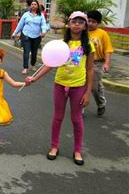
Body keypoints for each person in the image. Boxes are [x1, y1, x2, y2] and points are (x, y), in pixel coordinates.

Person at [25, 11, 95, 166]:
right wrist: (34, 78)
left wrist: (88, 92)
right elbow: (50, 63)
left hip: (78, 86)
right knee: (58, 117)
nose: (77, 24)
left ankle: (77, 150)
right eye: (74, 21)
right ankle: (54, 147)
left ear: (84, 26)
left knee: (76, 119)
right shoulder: (61, 44)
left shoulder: (88, 45)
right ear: (68, 24)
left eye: (80, 22)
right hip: (60, 84)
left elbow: (90, 69)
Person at [87, 10, 113, 116]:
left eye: (93, 21)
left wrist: (107, 63)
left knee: (94, 87)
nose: (90, 23)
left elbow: (108, 50)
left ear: (98, 23)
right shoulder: (83, 32)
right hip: (83, 61)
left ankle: (101, 103)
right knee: (80, 84)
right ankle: (80, 106)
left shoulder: (103, 34)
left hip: (97, 63)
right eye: (88, 21)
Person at [11, 0, 47, 75]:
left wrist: (44, 31)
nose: (33, 6)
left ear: (37, 6)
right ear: (30, 6)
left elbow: (44, 24)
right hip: (26, 35)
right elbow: (20, 25)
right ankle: (25, 68)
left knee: (34, 52)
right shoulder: (26, 15)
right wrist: (14, 33)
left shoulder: (41, 15)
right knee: (26, 52)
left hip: (37, 36)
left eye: (35, 4)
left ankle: (33, 64)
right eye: (32, 4)